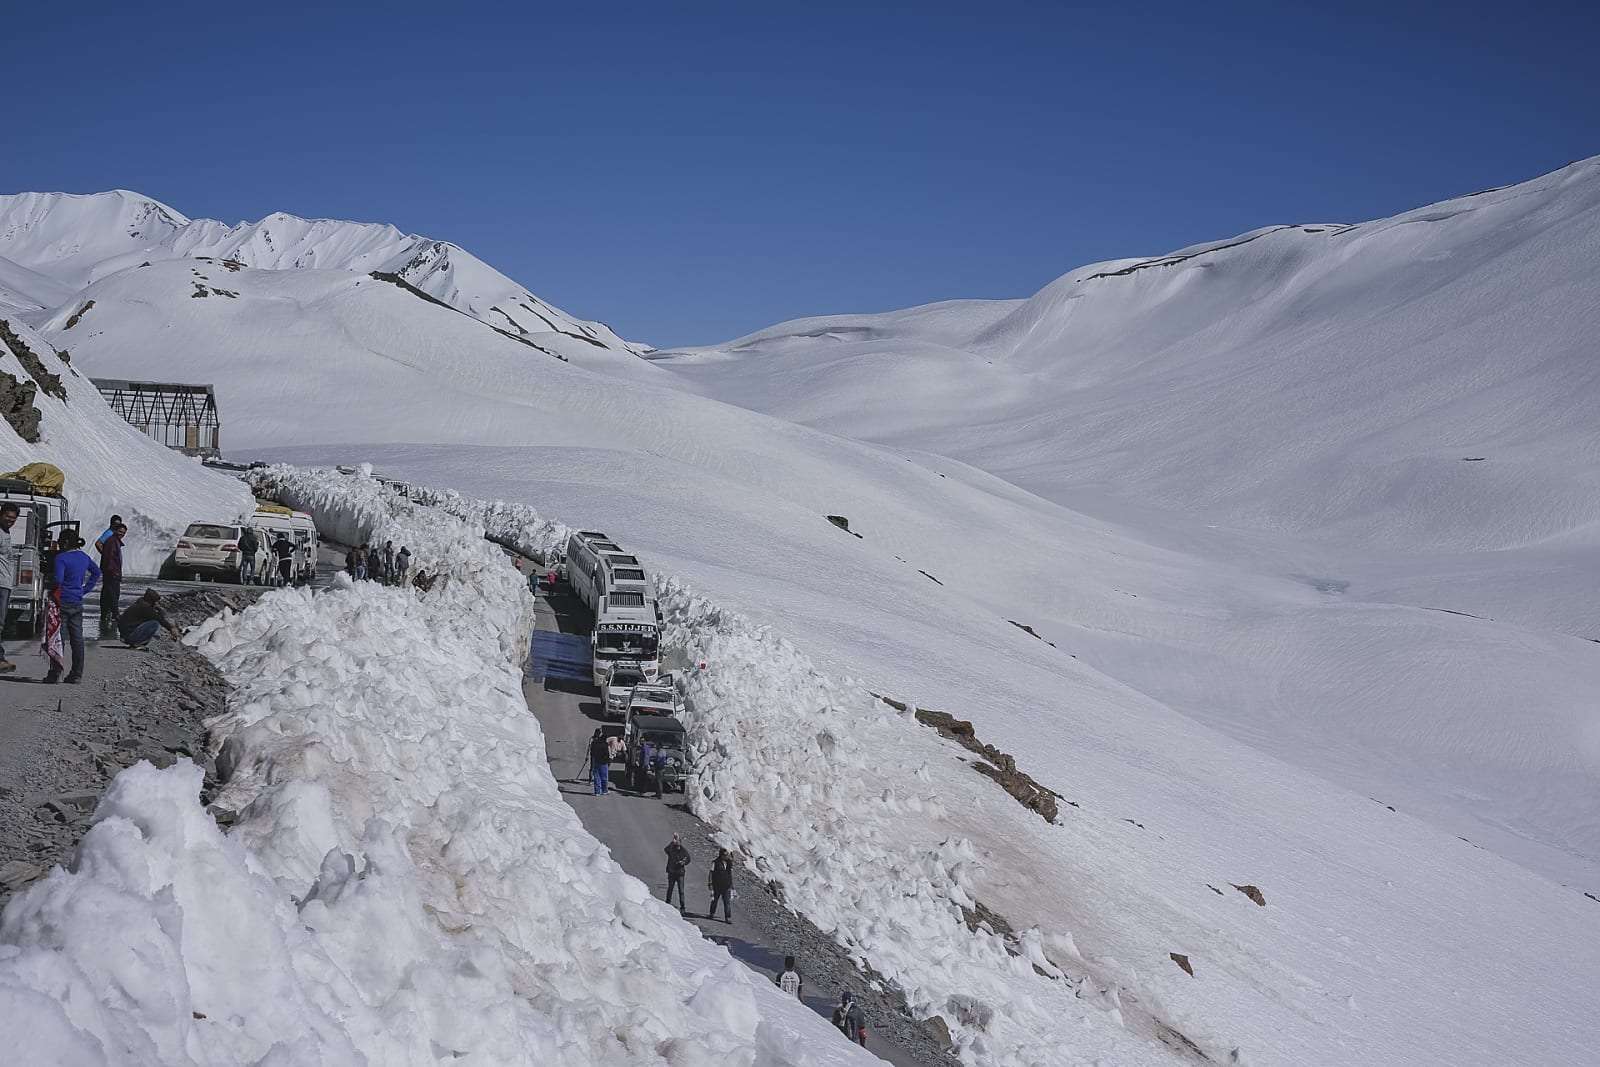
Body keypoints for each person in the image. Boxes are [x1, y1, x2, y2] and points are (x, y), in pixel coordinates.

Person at [47, 531, 99, 684]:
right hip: (77, 601)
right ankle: (76, 674)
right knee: (77, 639)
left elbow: (58, 579)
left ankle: (55, 673)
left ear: (64, 543)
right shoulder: (83, 557)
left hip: (61, 602)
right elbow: (96, 572)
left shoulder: (61, 558)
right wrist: (84, 589)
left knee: (58, 638)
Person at [96, 521, 125, 635]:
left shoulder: (114, 541)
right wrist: (113, 571)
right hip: (112, 573)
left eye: (123, 532)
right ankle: (115, 615)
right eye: (120, 532)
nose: (121, 534)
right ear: (115, 530)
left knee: (107, 594)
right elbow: (109, 557)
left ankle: (106, 615)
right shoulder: (112, 541)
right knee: (113, 594)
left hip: (111, 573)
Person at [0, 502, 19, 673]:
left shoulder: (6, 532)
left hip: (5, 583)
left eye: (13, 518)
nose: (10, 520)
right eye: (8, 516)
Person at [664, 833, 691, 913]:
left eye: (678, 841)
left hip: (680, 873)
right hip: (672, 872)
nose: (677, 843)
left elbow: (688, 859)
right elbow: (666, 850)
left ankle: (682, 907)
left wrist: (683, 862)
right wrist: (672, 842)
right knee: (670, 889)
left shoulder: (684, 851)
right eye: (676, 841)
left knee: (681, 891)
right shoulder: (671, 849)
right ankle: (667, 904)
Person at [708, 847, 734, 923]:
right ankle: (711, 913)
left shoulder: (729, 862)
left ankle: (727, 917)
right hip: (717, 886)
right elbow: (711, 873)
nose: (726, 856)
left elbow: (730, 873)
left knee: (727, 902)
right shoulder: (715, 862)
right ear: (721, 855)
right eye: (725, 855)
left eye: (727, 855)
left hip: (727, 886)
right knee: (714, 901)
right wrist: (710, 883)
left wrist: (731, 884)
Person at [588, 728, 611, 795]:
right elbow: (607, 754)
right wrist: (608, 760)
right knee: (604, 777)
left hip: (596, 761)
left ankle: (597, 792)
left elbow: (592, 752)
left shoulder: (594, 743)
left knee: (597, 777)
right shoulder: (605, 744)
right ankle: (604, 790)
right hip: (603, 763)